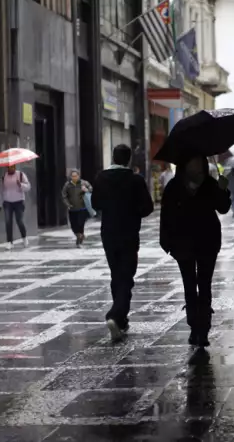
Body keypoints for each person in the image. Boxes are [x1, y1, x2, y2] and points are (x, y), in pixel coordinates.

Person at [160, 154, 231, 347]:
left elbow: (223, 208)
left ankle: (204, 329)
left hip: (207, 242)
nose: (197, 165)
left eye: (200, 161)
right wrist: (166, 243)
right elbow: (166, 215)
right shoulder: (174, 186)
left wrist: (223, 190)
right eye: (193, 161)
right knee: (190, 286)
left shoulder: (210, 184)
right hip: (183, 244)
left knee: (205, 285)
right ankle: (193, 326)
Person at [92, 145, 154, 342]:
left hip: (109, 233)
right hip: (128, 233)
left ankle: (121, 320)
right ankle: (115, 314)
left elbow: (95, 204)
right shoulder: (135, 180)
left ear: (113, 157)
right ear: (129, 159)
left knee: (116, 274)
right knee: (126, 275)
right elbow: (147, 207)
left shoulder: (101, 178)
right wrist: (133, 210)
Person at [0, 165, 31, 250]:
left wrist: (21, 185)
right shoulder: (4, 177)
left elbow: (28, 187)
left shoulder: (20, 175)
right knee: (8, 222)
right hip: (7, 202)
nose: (10, 169)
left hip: (19, 201)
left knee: (19, 221)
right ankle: (9, 242)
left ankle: (24, 238)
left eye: (12, 167)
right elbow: (1, 191)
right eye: (8, 167)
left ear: (15, 167)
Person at [62, 169, 93, 247]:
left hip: (82, 208)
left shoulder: (84, 183)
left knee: (80, 224)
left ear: (79, 176)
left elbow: (91, 189)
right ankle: (80, 236)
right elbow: (64, 196)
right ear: (70, 177)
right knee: (73, 226)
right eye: (73, 176)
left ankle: (79, 241)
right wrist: (68, 204)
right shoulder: (67, 185)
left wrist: (86, 189)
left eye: (76, 176)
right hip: (72, 208)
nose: (74, 177)